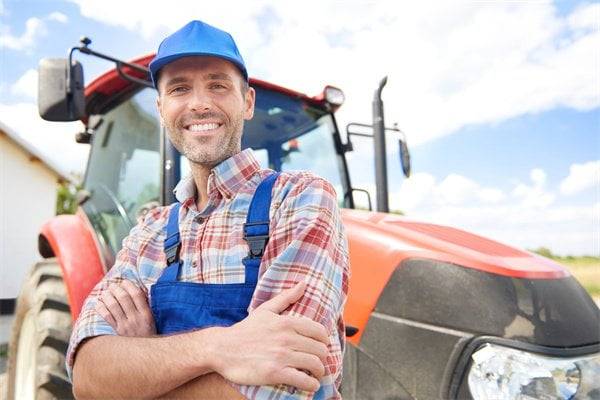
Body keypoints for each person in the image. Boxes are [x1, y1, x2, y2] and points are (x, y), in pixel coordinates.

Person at [67, 19, 349, 400]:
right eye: (180, 88)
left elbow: (282, 390)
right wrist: (217, 348)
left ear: (247, 102)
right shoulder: (148, 232)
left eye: (217, 85)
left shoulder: (300, 200)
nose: (200, 103)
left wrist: (143, 366)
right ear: (162, 108)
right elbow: (88, 377)